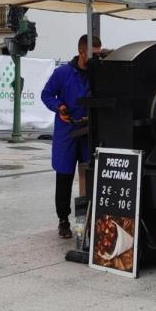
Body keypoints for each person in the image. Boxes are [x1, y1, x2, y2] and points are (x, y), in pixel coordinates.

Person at [41, 34, 101, 239]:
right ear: (82, 52)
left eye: (100, 55)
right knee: (64, 177)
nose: (97, 60)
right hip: (67, 133)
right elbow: (46, 94)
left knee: (90, 176)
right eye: (94, 55)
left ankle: (88, 220)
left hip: (88, 133)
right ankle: (63, 221)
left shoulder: (98, 74)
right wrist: (59, 107)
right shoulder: (62, 73)